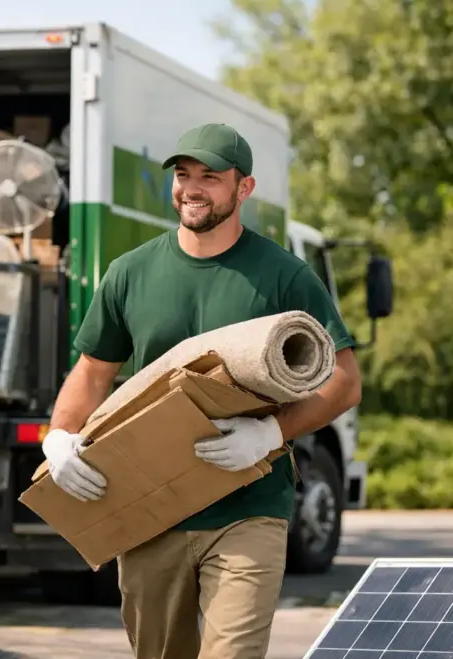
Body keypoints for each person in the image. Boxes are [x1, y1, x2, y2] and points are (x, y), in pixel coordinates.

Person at [42, 123, 362, 658]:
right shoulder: (130, 273)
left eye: (210, 177)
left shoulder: (285, 277)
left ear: (244, 189)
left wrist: (268, 434)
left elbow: (344, 381)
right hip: (150, 505)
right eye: (183, 175)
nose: (191, 188)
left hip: (248, 504)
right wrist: (59, 435)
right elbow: (93, 372)